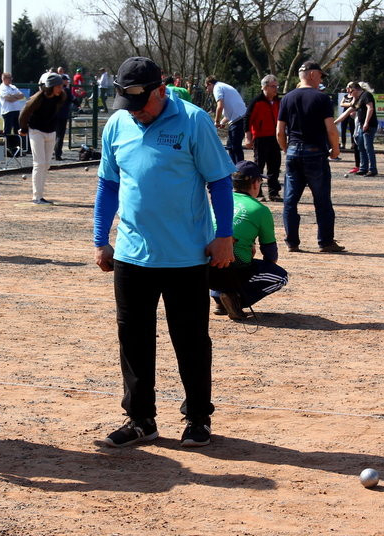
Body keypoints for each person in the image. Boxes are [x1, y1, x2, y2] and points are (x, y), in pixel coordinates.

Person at [94, 56, 236, 448]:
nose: (135, 113)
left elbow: (221, 182)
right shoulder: (119, 123)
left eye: (141, 103)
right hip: (131, 254)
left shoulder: (193, 121)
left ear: (161, 89)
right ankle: (141, 420)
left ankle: (198, 419)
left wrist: (224, 235)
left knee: (190, 340)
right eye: (127, 104)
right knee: (133, 339)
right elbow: (108, 185)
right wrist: (100, 239)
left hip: (186, 256)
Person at [277, 61, 344, 253]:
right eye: (321, 76)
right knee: (322, 200)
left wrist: (285, 149)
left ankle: (292, 242)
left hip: (293, 151)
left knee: (290, 201)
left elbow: (279, 131)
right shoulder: (321, 98)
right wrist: (335, 149)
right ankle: (325, 241)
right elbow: (331, 129)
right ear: (313, 75)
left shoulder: (287, 98)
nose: (321, 80)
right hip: (315, 153)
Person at [210, 160, 288, 320]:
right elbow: (269, 249)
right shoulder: (259, 209)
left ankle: (219, 298)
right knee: (280, 277)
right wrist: (268, 263)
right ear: (255, 183)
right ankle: (235, 299)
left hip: (206, 263)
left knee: (223, 261)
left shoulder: (220, 201)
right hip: (234, 263)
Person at [19, 72, 66, 204]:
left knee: (46, 164)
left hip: (51, 131)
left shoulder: (61, 96)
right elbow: (24, 113)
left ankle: (40, 195)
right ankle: (37, 197)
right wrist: (23, 128)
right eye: (58, 86)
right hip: (36, 131)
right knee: (39, 163)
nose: (61, 89)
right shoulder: (38, 98)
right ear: (51, 86)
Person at [243, 74, 282, 201]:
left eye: (276, 86)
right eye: (273, 86)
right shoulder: (257, 101)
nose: (276, 89)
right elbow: (247, 119)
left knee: (275, 165)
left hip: (275, 137)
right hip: (260, 137)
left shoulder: (278, 101)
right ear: (264, 87)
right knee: (259, 165)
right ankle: (258, 193)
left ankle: (274, 192)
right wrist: (248, 137)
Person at [335, 81, 378, 176]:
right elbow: (346, 113)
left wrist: (366, 122)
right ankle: (363, 168)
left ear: (354, 89)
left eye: (350, 91)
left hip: (369, 126)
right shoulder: (358, 99)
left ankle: (373, 169)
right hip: (362, 126)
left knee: (368, 147)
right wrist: (335, 123)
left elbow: (370, 108)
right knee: (361, 147)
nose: (349, 94)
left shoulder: (366, 95)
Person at [205, 76, 247, 164]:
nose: (207, 90)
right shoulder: (223, 86)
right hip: (240, 118)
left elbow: (220, 106)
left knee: (235, 147)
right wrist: (222, 122)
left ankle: (240, 171)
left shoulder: (217, 88)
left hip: (239, 120)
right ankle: (235, 169)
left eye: (206, 87)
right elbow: (230, 112)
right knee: (231, 146)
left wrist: (216, 121)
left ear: (209, 84)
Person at [0, 72, 26, 157]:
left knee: (17, 130)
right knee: (7, 130)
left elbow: (22, 95)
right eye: (9, 78)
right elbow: (8, 98)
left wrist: (14, 97)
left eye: (11, 78)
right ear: (4, 79)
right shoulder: (2, 88)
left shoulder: (13, 87)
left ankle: (17, 148)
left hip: (16, 110)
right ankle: (6, 149)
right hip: (8, 111)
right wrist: (15, 97)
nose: (11, 79)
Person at [53, 74, 74, 161]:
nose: (67, 82)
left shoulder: (54, 90)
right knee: (60, 135)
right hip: (62, 115)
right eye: (66, 80)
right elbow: (73, 99)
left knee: (55, 134)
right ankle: (58, 154)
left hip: (54, 114)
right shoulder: (66, 90)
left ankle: (53, 152)